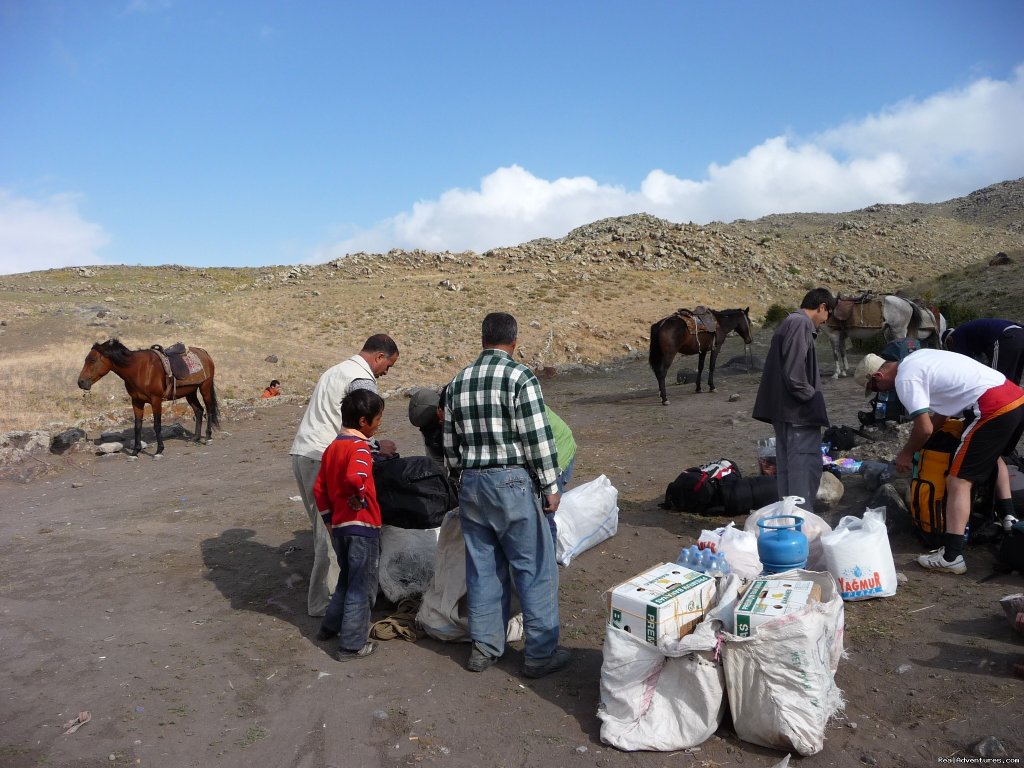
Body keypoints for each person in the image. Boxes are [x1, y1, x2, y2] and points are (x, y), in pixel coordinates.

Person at [443, 312, 571, 678]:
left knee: (482, 568)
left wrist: (460, 480)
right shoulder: (520, 377)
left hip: (471, 484)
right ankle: (540, 654)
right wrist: (550, 485)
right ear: (514, 342)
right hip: (512, 482)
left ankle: (484, 649)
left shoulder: (458, 382)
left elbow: (450, 446)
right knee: (534, 567)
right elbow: (537, 437)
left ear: (483, 339)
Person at [863, 349, 1024, 574]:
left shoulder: (904, 379)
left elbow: (924, 428)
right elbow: (941, 415)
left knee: (958, 480)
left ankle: (952, 555)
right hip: (1015, 398)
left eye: (874, 389)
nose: (879, 393)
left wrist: (907, 453)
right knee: (991, 455)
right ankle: (1009, 518)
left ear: (878, 377)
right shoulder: (918, 357)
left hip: (991, 406)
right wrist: (926, 440)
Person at [289, 334, 399, 617]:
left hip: (306, 451)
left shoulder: (336, 370)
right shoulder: (361, 379)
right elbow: (359, 422)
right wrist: (376, 447)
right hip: (326, 456)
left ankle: (332, 599)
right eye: (388, 365)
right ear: (378, 357)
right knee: (332, 532)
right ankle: (327, 603)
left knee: (323, 527)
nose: (387, 371)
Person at [313, 389, 386, 661]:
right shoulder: (358, 448)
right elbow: (356, 477)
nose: (379, 424)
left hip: (340, 527)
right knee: (362, 586)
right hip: (362, 526)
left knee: (347, 578)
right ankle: (352, 645)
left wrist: (330, 521)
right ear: (364, 421)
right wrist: (359, 495)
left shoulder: (332, 447)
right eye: (378, 419)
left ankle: (330, 627)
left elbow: (319, 489)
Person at [752, 288, 835, 511]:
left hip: (786, 413)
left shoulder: (790, 322)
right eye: (828, 315)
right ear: (822, 307)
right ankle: (801, 524)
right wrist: (812, 398)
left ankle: (789, 522)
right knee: (804, 472)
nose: (825, 322)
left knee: (789, 473)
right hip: (799, 414)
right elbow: (794, 374)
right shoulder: (800, 324)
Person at [942, 319, 1024, 386]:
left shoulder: (956, 336)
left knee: (995, 379)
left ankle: (999, 404)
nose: (951, 349)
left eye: (948, 346)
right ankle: (1016, 402)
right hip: (1020, 333)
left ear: (949, 339)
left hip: (1005, 338)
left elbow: (965, 362)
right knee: (1014, 376)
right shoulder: (969, 331)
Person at [543, 405, 577, 543]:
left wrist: (550, 487)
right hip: (541, 453)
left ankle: (548, 561)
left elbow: (540, 451)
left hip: (556, 452)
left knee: (543, 516)